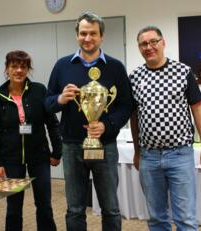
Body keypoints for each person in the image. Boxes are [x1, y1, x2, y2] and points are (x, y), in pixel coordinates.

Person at [45, 11, 132, 231]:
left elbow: (126, 105)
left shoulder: (115, 67)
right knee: (75, 208)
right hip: (72, 145)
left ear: (101, 36)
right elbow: (47, 102)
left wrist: (107, 125)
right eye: (83, 33)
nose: (87, 38)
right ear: (77, 36)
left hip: (106, 145)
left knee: (110, 207)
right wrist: (60, 99)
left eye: (93, 33)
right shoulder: (62, 65)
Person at [129, 26, 201, 231]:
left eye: (153, 42)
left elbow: (198, 110)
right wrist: (137, 152)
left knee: (185, 218)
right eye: (143, 44)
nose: (149, 47)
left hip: (180, 155)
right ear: (139, 48)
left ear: (163, 42)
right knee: (157, 218)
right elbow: (134, 117)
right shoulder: (134, 77)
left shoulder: (183, 72)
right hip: (149, 157)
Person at [0, 50, 62, 231]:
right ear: (7, 69)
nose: (19, 70)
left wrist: (57, 151)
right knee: (13, 208)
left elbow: (52, 123)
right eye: (14, 66)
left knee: (44, 204)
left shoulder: (39, 90)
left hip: (39, 156)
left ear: (28, 69)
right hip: (11, 158)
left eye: (23, 67)